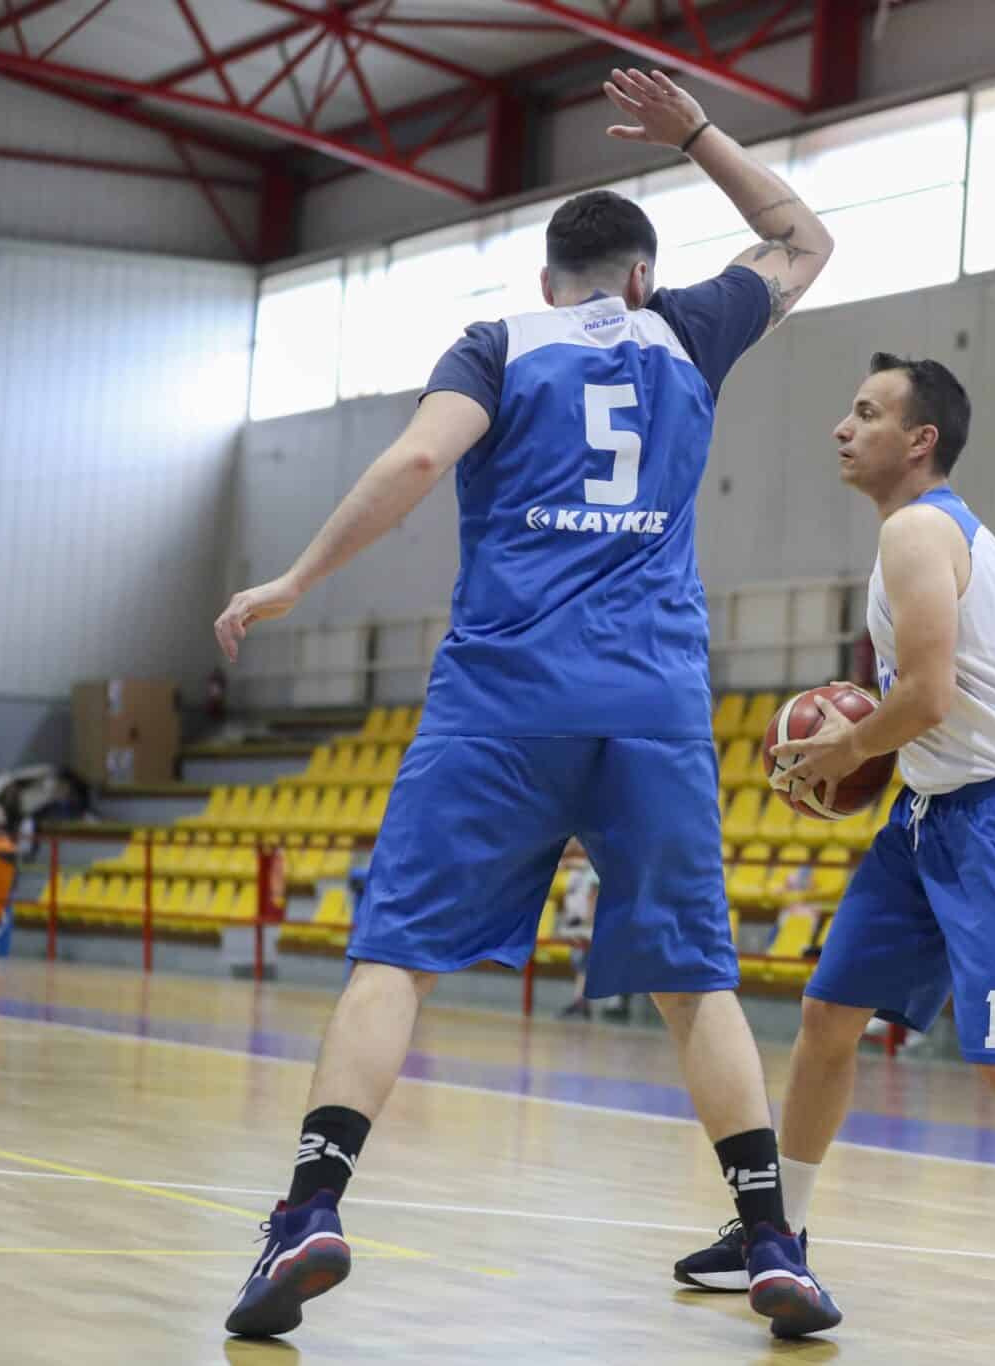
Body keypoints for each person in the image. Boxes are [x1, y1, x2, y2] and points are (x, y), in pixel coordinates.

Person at [210, 67, 833, 1342]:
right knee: (694, 980)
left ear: (550, 281)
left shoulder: (497, 343)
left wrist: (295, 579)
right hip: (651, 701)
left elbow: (417, 457)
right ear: (642, 277)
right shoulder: (689, 329)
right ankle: (772, 1237)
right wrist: (698, 132)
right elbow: (802, 239)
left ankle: (311, 1209)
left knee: (396, 957)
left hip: (503, 696)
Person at [672, 355, 995, 1331]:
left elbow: (929, 696)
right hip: (932, 810)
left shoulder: (917, 530)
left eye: (866, 413)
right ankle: (778, 1236)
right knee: (827, 1017)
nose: (842, 428)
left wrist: (843, 749)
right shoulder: (917, 534)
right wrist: (862, 743)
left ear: (919, 439)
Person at [555, 842, 628, 1022]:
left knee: (596, 960)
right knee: (582, 961)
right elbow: (575, 861)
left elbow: (594, 895)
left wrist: (590, 922)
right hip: (587, 922)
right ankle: (581, 1001)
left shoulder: (601, 866)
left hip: (598, 923)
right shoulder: (590, 866)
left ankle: (615, 1000)